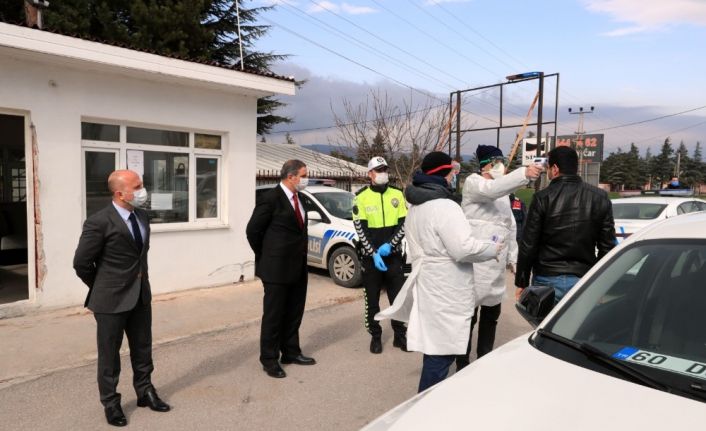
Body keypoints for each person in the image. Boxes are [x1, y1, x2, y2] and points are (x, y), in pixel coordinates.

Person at [376, 151, 501, 393]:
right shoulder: (445, 206)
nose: (456, 174)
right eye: (453, 170)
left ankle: (427, 398)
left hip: (430, 283)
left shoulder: (416, 206)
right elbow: (462, 249)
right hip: (448, 287)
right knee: (443, 352)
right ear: (444, 173)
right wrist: (491, 248)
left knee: (435, 347)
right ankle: (425, 404)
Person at [73, 170, 170, 427]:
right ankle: (111, 403)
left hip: (140, 296)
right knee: (109, 356)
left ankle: (145, 392)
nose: (143, 190)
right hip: (110, 301)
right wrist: (102, 287)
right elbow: (81, 263)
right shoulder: (98, 222)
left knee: (143, 348)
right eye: (137, 186)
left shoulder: (142, 216)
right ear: (120, 193)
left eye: (141, 185)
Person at [455, 145, 542, 371]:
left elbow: (510, 228)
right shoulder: (475, 184)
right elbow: (491, 189)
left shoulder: (503, 196)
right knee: (468, 318)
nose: (501, 167)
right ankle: (462, 362)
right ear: (486, 164)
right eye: (497, 162)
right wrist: (523, 173)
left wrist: (514, 260)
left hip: (494, 270)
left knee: (491, 317)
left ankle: (484, 359)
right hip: (474, 267)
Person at [515, 146, 616, 303]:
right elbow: (607, 246)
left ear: (555, 169)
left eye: (548, 168)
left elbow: (529, 244)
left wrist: (522, 281)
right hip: (584, 278)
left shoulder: (542, 198)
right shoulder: (600, 197)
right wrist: (599, 282)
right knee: (576, 327)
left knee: (544, 326)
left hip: (546, 279)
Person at [246, 160, 316, 379]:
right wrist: (266, 256)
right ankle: (269, 359)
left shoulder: (300, 198)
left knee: (294, 312)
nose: (306, 179)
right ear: (291, 176)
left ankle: (291, 352)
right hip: (276, 269)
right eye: (304, 175)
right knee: (274, 316)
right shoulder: (270, 199)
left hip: (298, 266)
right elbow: (252, 231)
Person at [353, 156, 409, 354]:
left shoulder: (397, 194)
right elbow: (360, 229)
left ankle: (399, 337)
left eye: (384, 169)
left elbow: (404, 224)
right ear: (370, 174)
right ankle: (375, 337)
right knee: (372, 301)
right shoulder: (360, 197)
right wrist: (374, 253)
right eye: (378, 170)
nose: (383, 173)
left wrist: (390, 245)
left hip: (393, 257)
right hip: (371, 260)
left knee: (398, 300)